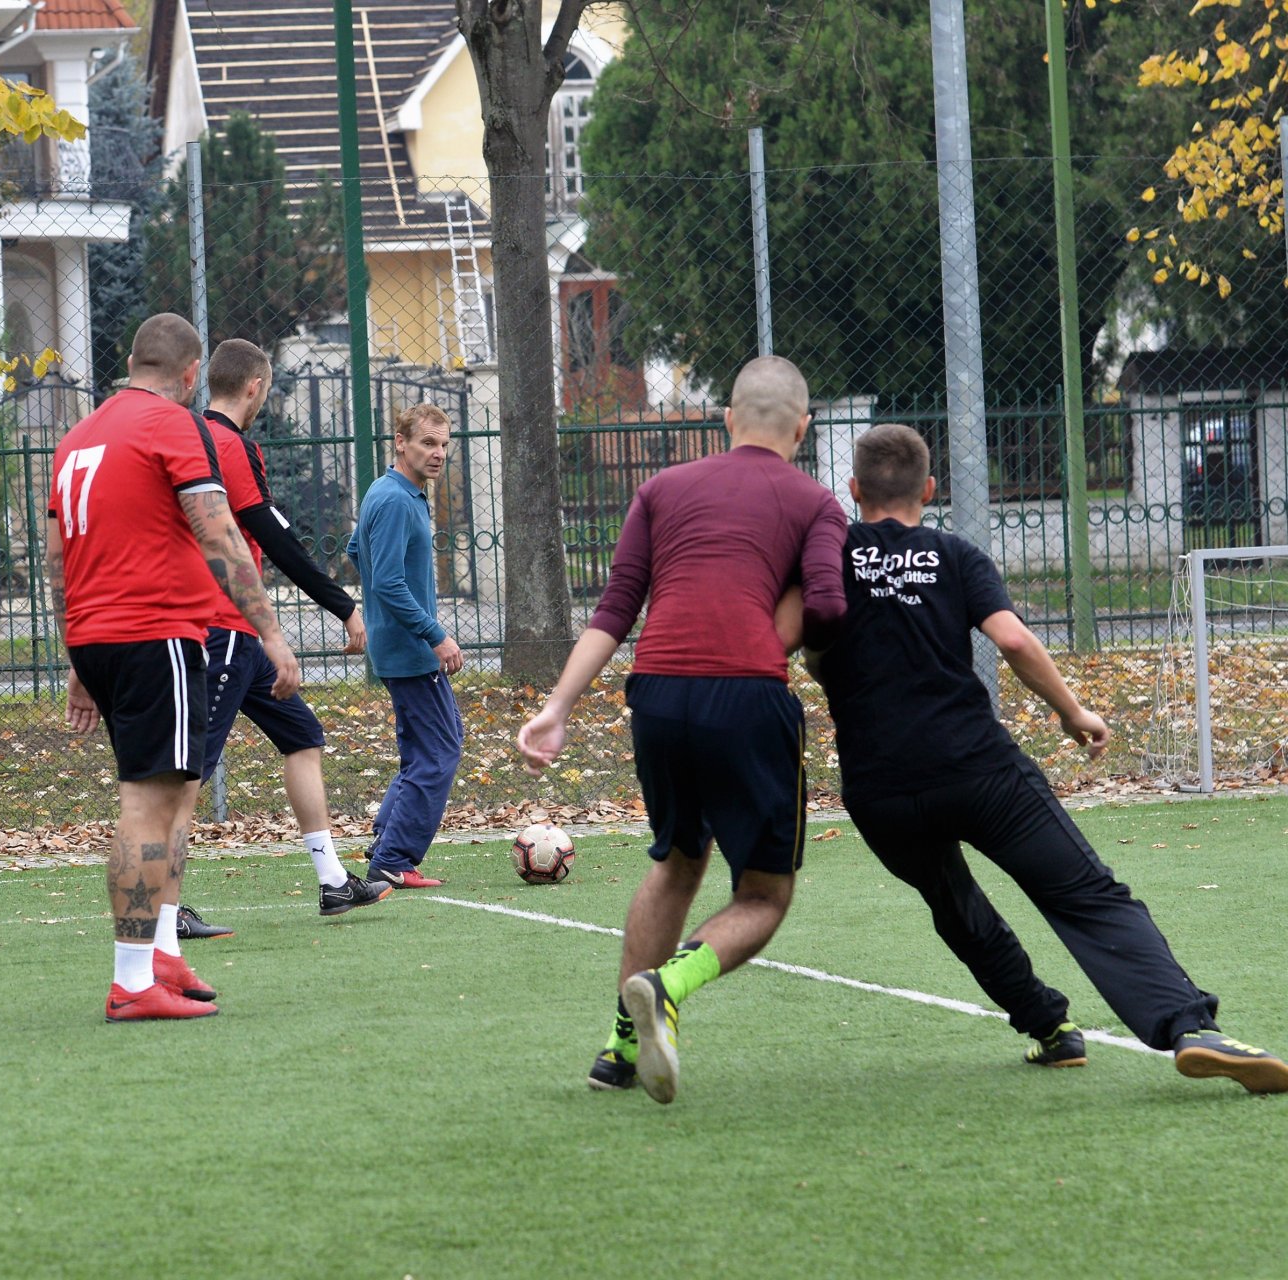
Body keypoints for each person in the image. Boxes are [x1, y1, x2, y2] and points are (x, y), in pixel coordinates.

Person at [796, 422, 1287, 1093]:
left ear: (853, 490)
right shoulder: (954, 554)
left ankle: (1049, 1028)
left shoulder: (830, 560)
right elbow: (1014, 641)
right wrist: (1073, 711)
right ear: (930, 489)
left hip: (880, 787)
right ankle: (1190, 1027)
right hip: (977, 772)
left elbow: (809, 645)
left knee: (954, 902)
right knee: (1087, 894)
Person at [516, 355, 847, 1104]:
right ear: (803, 426)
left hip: (657, 696)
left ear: (726, 420)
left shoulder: (662, 489)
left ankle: (619, 1047)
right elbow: (828, 608)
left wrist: (557, 708)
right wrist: (774, 625)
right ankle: (667, 986)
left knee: (675, 862)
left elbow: (616, 608)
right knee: (763, 895)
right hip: (747, 698)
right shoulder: (815, 502)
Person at [48, 314, 301, 1022]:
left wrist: (76, 657)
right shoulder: (171, 425)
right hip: (154, 631)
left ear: (131, 362)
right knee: (150, 803)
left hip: (103, 637)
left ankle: (160, 952)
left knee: (174, 791)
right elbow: (216, 527)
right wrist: (271, 633)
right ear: (192, 376)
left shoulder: (76, 440)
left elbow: (58, 558)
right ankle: (132, 981)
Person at [175, 339, 390, 934]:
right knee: (188, 771)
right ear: (256, 386)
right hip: (220, 632)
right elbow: (276, 539)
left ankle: (332, 881)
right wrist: (344, 606)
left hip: (244, 635)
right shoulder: (226, 445)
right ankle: (164, 907)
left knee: (302, 736)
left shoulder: (198, 436)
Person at [349, 403, 465, 890]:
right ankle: (394, 857)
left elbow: (357, 550)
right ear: (400, 442)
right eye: (427, 443)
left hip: (400, 648)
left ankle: (385, 842)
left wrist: (380, 617)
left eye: (443, 444)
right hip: (411, 652)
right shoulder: (397, 500)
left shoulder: (396, 490)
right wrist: (434, 635)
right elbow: (391, 583)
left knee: (423, 752)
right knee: (440, 750)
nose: (438, 453)